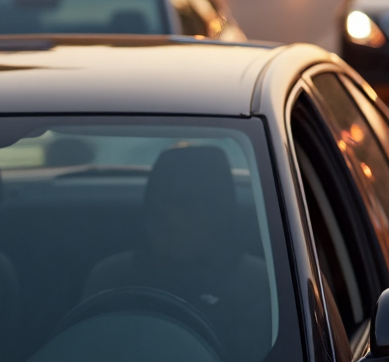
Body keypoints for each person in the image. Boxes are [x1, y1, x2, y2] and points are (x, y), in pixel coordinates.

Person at [84, 146, 271, 362]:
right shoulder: (112, 278)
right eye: (164, 202)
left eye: (188, 205)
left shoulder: (259, 287)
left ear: (220, 213)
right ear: (149, 212)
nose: (172, 219)